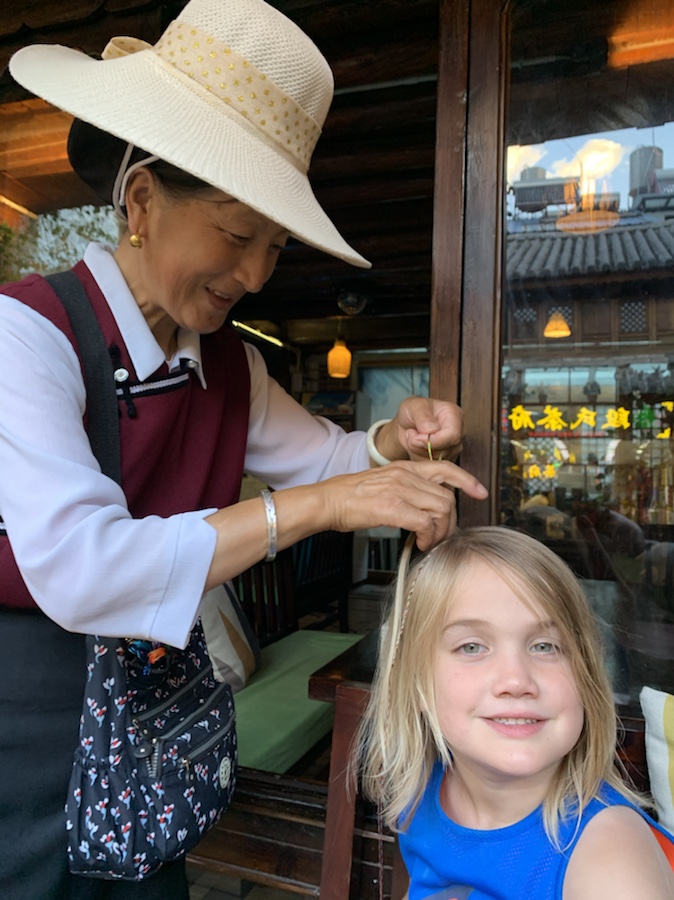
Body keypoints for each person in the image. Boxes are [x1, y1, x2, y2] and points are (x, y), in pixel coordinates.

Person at [0, 1, 489, 897]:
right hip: (24, 733)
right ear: (141, 201)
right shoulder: (26, 334)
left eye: (274, 247)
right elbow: (80, 567)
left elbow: (335, 463)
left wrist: (395, 438)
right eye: (235, 235)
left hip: (150, 737)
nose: (256, 274)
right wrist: (315, 508)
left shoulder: (227, 365)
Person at [356, 527, 674, 899]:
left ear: (585, 674)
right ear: (416, 684)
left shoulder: (611, 858)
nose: (516, 680)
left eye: (545, 646)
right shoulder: (421, 790)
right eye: (472, 646)